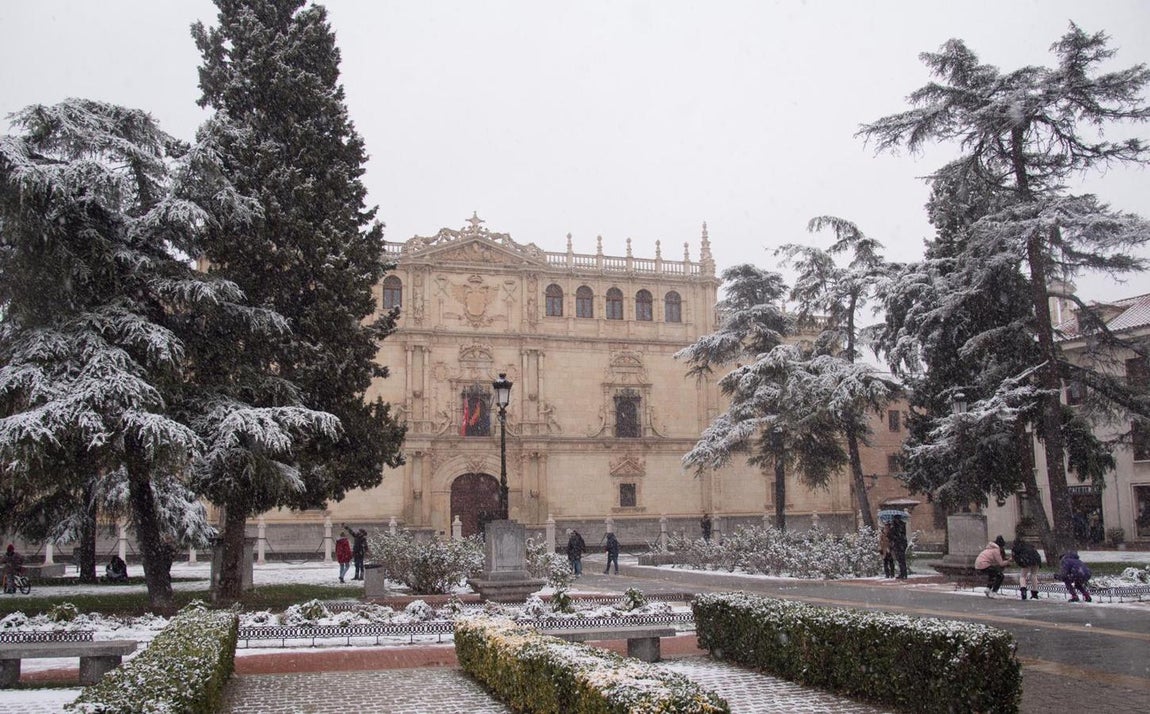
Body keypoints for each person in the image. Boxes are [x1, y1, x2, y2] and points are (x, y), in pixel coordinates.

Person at [1010, 536, 1041, 600]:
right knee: (1034, 575)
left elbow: (1014, 557)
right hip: (1036, 559)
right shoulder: (1029, 546)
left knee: (1023, 576)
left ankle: (1023, 591)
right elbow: (1035, 552)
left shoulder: (1016, 548)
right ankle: (1035, 593)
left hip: (1026, 560)